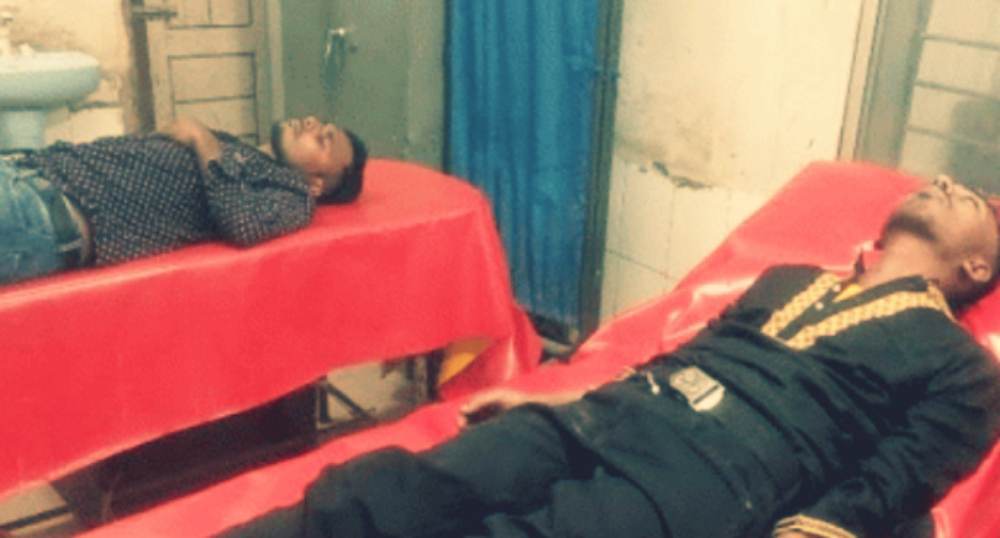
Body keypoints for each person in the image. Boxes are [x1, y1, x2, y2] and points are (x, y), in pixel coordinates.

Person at [220, 175, 1000, 538]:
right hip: (617, 415)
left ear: (976, 269)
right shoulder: (789, 279)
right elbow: (683, 356)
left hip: (718, 474)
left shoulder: (962, 369)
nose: (942, 182)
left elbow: (888, 489)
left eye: (968, 199)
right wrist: (553, 400)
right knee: (394, 490)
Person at [0, 115, 368, 285]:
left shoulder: (294, 196)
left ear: (317, 185)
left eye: (324, 140)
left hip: (40, 214)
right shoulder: (248, 157)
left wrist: (202, 139)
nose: (312, 123)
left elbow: (243, 224)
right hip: (28, 174)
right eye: (320, 123)